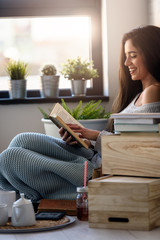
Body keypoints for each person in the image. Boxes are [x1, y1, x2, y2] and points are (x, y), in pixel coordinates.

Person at [0, 25, 160, 202]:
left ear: (152, 54)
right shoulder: (139, 94)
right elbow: (126, 138)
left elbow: (141, 149)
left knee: (10, 158)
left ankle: (34, 199)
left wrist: (95, 136)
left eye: (133, 56)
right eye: (126, 56)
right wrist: (85, 143)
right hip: (96, 156)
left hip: (99, 171)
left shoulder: (153, 92)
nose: (126, 63)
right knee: (21, 140)